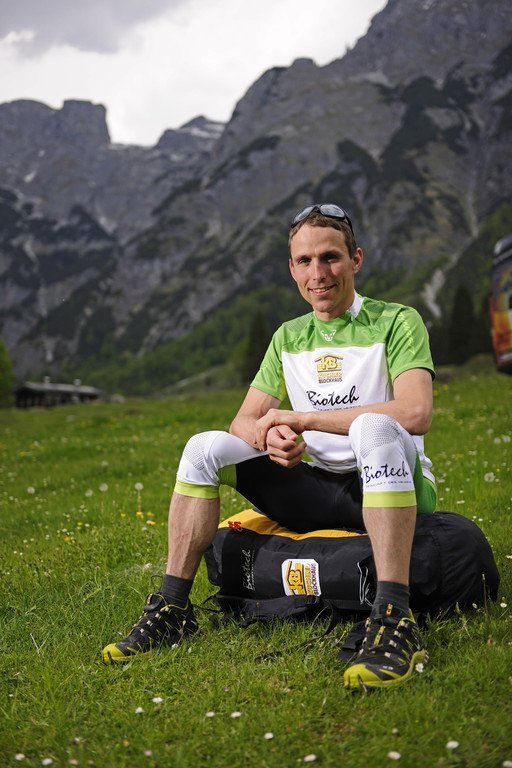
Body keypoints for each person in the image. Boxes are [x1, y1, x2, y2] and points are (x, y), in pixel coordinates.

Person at [102, 203, 436, 690]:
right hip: (314, 490)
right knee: (202, 447)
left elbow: (415, 412)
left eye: (331, 257)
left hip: (389, 484)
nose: (318, 273)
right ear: (292, 269)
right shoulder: (288, 337)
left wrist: (304, 420)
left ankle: (393, 617)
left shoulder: (397, 321)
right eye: (304, 261)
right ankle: (172, 608)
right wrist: (269, 435)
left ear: (356, 259)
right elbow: (243, 420)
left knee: (373, 429)